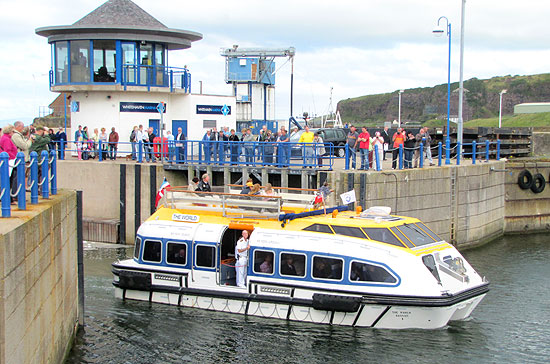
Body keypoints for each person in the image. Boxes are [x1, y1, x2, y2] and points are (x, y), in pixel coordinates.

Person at [0, 125, 19, 203]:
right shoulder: (6, 139)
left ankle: (8, 197)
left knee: (8, 179)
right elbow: (7, 150)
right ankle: (7, 198)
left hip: (10, 160)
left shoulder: (6, 138)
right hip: (9, 161)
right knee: (8, 179)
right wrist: (14, 157)